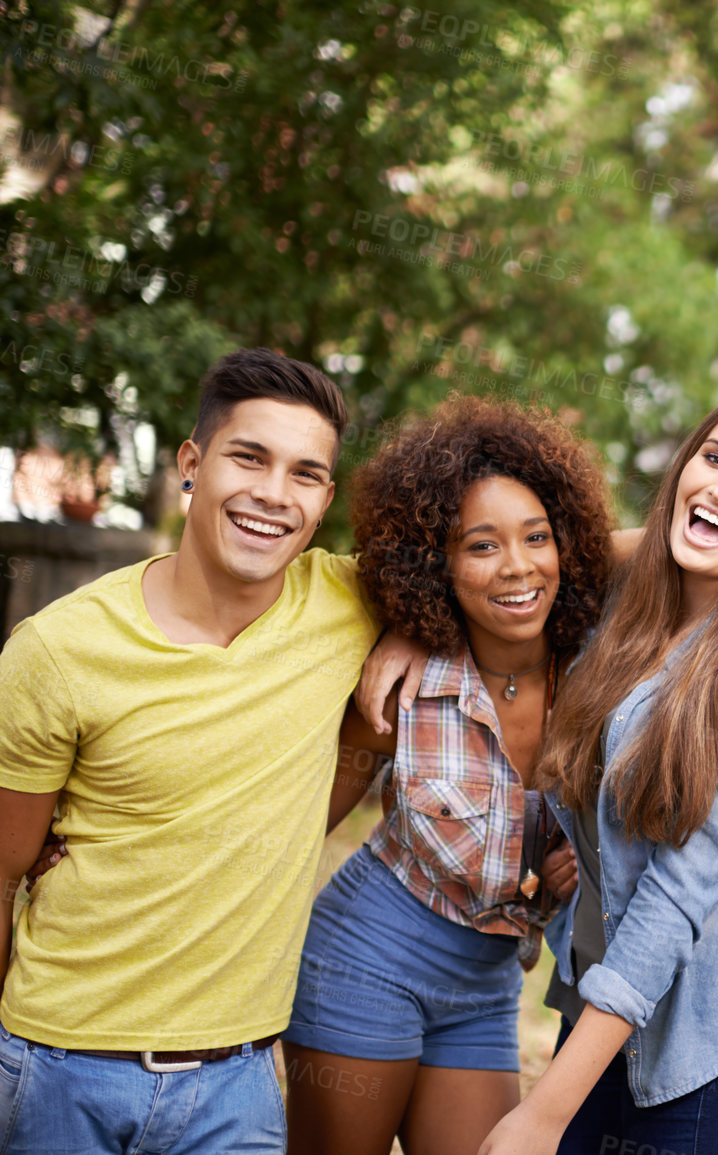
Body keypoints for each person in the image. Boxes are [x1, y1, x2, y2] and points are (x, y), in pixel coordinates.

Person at [0, 349, 377, 1152]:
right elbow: (3, 870)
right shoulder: (58, 650)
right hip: (59, 1068)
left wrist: (708, 541)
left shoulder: (348, 604)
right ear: (192, 464)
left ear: (325, 499)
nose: (274, 494)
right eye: (249, 457)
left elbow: (537, 558)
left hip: (237, 1086)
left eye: (305, 474)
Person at [472, 389, 718, 1155]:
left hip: (706, 1044)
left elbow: (672, 900)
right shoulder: (624, 622)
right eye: (713, 458)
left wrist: (542, 1112)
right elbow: (526, 557)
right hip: (604, 1012)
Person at [280, 397, 614, 1155]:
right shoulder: (402, 686)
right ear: (439, 564)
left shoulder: (600, 675)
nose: (518, 566)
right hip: (367, 956)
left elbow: (670, 553)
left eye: (537, 537)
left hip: (488, 981)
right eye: (481, 546)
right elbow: (300, 828)